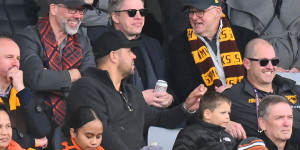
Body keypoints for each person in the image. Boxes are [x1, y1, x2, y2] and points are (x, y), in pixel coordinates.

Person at [66, 30, 207, 150]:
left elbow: (158, 119)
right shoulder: (86, 88)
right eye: (129, 51)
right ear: (114, 56)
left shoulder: (131, 91)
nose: (134, 56)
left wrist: (186, 107)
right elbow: (103, 135)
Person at [14, 0, 95, 127]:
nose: (78, 16)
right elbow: (37, 79)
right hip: (38, 121)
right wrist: (72, 76)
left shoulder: (83, 42)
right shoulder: (28, 37)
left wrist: (51, 79)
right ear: (53, 9)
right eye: (72, 10)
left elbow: (90, 82)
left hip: (75, 119)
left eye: (81, 11)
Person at [167, 0, 244, 102]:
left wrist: (233, 91)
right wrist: (216, 97)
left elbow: (257, 80)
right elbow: (183, 89)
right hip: (205, 111)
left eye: (200, 11)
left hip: (244, 107)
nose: (194, 17)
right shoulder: (179, 45)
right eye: (191, 12)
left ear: (218, 11)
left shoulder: (245, 38)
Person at [223, 38, 300, 140]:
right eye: (263, 62)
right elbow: (203, 118)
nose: (270, 66)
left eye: (274, 61)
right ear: (247, 63)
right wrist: (223, 124)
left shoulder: (294, 89)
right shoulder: (232, 96)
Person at [109, 0, 174, 107]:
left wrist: (170, 98)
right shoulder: (105, 47)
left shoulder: (153, 44)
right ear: (115, 17)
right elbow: (106, 98)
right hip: (127, 120)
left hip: (161, 116)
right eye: (131, 12)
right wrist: (139, 99)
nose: (139, 17)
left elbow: (169, 82)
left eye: (142, 12)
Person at [0, 34, 50, 149]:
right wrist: (31, 142)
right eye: (9, 57)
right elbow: (3, 137)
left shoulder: (23, 88)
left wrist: (21, 90)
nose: (16, 63)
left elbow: (42, 130)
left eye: (18, 58)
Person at [226, 0, 300, 72]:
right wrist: (269, 68)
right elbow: (242, 46)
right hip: (258, 73)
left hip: (294, 74)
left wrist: (297, 68)